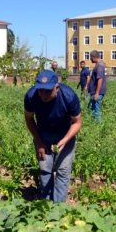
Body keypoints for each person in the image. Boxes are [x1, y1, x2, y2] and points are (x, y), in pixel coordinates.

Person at [24, 70, 82, 203]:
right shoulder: (31, 96)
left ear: (57, 87)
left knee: (62, 170)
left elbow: (77, 123)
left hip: (66, 134)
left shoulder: (69, 96)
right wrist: (40, 143)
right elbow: (29, 119)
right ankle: (47, 204)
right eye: (41, 91)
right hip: (43, 134)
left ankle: (58, 208)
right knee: (44, 169)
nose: (43, 95)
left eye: (47, 91)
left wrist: (66, 140)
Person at [87, 50, 107, 121]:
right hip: (95, 92)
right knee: (92, 109)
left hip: (97, 93)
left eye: (90, 57)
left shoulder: (100, 66)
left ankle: (99, 127)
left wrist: (97, 93)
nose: (90, 59)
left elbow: (100, 79)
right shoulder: (99, 65)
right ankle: (93, 125)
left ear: (94, 57)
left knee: (96, 112)